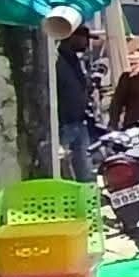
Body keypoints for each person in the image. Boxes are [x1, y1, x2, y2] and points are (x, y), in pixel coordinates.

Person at [55, 24, 101, 179]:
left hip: (80, 121)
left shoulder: (76, 60)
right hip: (65, 124)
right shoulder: (57, 61)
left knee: (85, 170)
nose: (87, 44)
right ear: (72, 37)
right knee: (67, 171)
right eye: (85, 39)